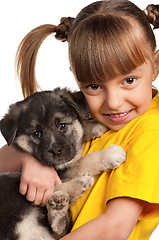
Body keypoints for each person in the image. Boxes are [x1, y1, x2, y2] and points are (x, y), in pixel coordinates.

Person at [0, 0, 159, 239]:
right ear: (76, 77)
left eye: (129, 80)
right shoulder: (86, 118)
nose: (114, 102)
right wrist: (30, 160)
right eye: (95, 86)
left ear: (156, 66)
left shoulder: (151, 134)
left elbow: (114, 228)